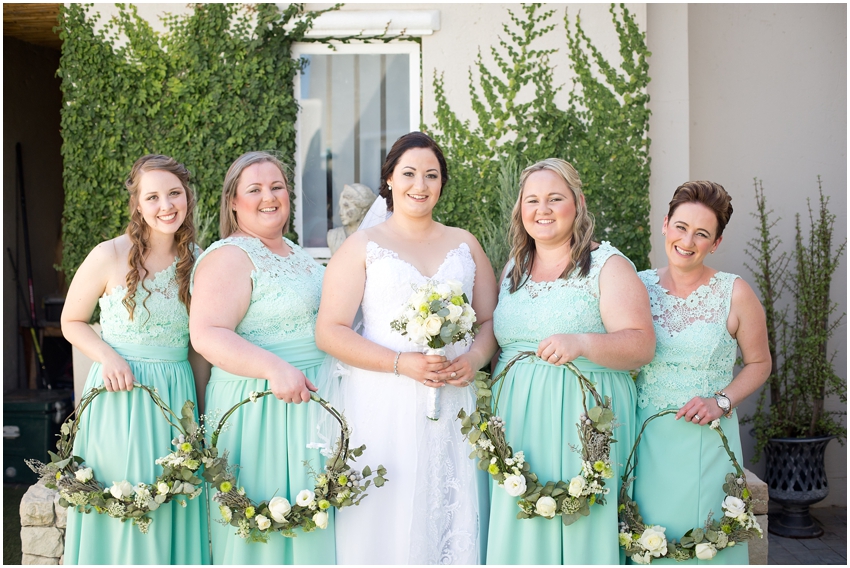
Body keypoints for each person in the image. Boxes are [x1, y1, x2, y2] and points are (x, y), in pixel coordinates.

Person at [315, 131, 498, 564]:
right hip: (383, 400)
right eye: (409, 173)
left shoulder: (465, 243)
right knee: (388, 515)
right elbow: (330, 331)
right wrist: (400, 363)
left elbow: (490, 321)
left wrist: (474, 358)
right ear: (390, 180)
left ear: (442, 183)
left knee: (449, 508)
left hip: (454, 400)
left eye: (431, 175)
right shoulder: (364, 246)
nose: (420, 185)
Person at [486, 158, 655, 564]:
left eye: (555, 198)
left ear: (577, 203)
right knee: (521, 521)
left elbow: (641, 344)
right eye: (532, 200)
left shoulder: (608, 266)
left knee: (581, 522)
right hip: (515, 419)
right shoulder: (513, 267)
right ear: (520, 209)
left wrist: (581, 342)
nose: (542, 210)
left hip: (583, 420)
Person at [61, 154, 210, 564]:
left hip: (175, 398)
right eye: (153, 197)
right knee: (121, 501)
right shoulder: (108, 254)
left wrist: (201, 418)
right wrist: (106, 356)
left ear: (187, 196)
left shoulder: (199, 260)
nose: (166, 206)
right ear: (138, 204)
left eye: (174, 193)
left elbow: (198, 347)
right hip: (118, 396)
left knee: (172, 502)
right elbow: (71, 320)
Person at [189, 151, 334, 564]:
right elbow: (207, 334)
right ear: (233, 202)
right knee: (264, 535)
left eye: (276, 187)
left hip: (310, 406)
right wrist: (275, 368)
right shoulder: (228, 256)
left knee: (312, 528)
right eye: (254, 189)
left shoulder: (295, 252)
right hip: (262, 408)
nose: (268, 197)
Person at [631, 181, 770, 564]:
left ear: (716, 242)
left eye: (702, 233)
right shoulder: (636, 286)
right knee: (646, 539)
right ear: (665, 224)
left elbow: (760, 363)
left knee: (705, 543)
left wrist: (721, 401)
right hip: (645, 439)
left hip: (707, 440)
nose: (687, 241)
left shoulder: (735, 292)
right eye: (681, 227)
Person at [327, 183, 377, 255]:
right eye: (340, 207)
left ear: (363, 210)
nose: (340, 213)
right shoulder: (334, 236)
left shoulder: (375, 237)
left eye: (346, 206)